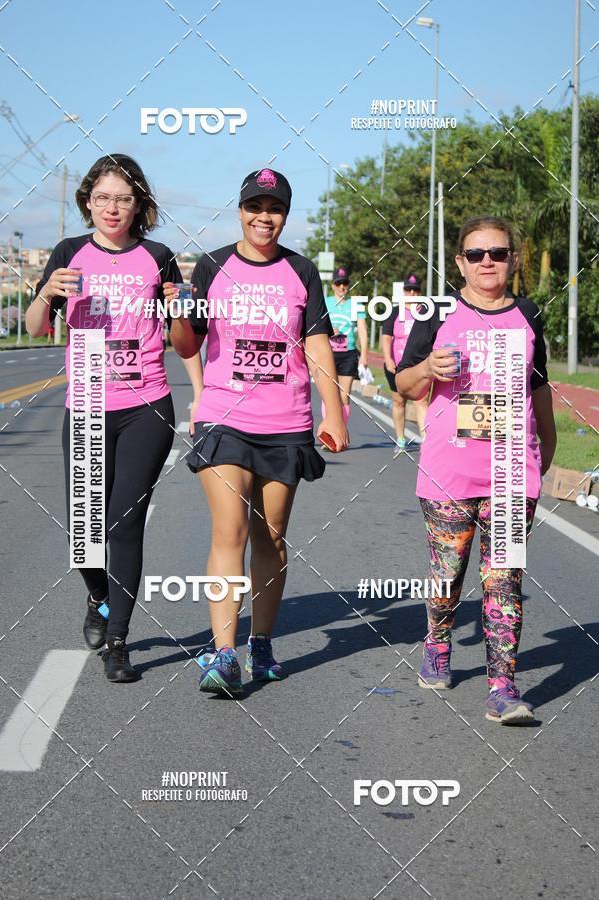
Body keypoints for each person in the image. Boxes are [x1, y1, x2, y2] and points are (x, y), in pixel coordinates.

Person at [168, 168, 348, 698]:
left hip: (285, 421)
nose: (262, 217)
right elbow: (186, 344)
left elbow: (316, 347)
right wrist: (179, 316)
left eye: (273, 209)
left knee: (271, 537)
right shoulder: (212, 265)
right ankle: (224, 654)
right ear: (240, 210)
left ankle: (261, 642)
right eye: (254, 207)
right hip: (225, 416)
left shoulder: (302, 270)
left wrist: (332, 410)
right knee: (231, 530)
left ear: (285, 215)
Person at [26, 154, 181, 683]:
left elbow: (184, 341)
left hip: (146, 405)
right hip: (88, 401)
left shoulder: (159, 256)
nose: (113, 208)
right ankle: (99, 596)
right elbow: (35, 324)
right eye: (103, 198)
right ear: (87, 201)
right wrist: (47, 291)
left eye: (124, 198)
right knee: (83, 529)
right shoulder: (69, 253)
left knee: (123, 522)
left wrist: (179, 309)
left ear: (140, 205)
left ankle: (119, 643)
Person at [396, 215, 556, 725]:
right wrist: (426, 370)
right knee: (447, 576)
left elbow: (538, 389)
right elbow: (402, 382)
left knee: (504, 580)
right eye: (477, 254)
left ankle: (502, 688)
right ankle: (438, 644)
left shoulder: (528, 314)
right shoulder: (439, 313)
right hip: (449, 472)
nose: (489, 261)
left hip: (511, 472)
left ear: (513, 259)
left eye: (499, 253)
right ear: (460, 262)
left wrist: (543, 452)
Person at [381, 273, 428, 449]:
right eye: (409, 289)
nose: (412, 293)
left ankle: (426, 440)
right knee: (399, 401)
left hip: (418, 366)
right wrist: (388, 359)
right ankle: (400, 438)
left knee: (421, 401)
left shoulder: (426, 310)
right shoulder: (395, 311)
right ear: (404, 291)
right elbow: (386, 337)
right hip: (397, 365)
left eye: (416, 290)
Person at [323, 267, 368, 427]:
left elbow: (362, 330)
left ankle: (340, 430)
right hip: (328, 353)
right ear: (333, 285)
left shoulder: (355, 304)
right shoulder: (325, 302)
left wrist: (364, 355)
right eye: (338, 283)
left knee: (344, 395)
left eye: (345, 283)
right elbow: (316, 327)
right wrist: (328, 331)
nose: (342, 287)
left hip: (348, 353)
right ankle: (329, 430)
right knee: (329, 395)